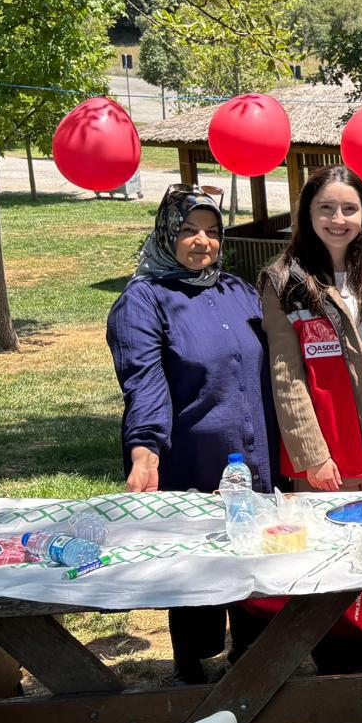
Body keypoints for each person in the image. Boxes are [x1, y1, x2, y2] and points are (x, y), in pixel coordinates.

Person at [106, 184, 278, 685]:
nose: (202, 241)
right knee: (197, 563)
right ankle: (194, 667)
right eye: (187, 230)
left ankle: (256, 660)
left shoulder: (238, 291)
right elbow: (144, 383)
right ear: (166, 233)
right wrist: (145, 451)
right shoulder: (143, 301)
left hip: (254, 457)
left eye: (212, 231)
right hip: (191, 460)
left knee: (252, 560)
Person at [259, 166, 362, 493]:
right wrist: (312, 455)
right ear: (307, 212)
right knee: (331, 528)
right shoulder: (283, 281)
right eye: (326, 208)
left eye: (350, 209)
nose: (338, 220)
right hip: (325, 420)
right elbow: (286, 375)